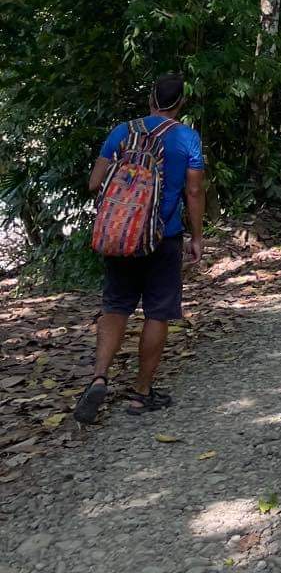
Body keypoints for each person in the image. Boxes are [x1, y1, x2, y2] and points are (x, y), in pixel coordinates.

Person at [73, 73, 206, 423]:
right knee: (157, 312)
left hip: (120, 236)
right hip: (163, 237)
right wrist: (197, 236)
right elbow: (193, 192)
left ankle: (99, 377)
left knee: (115, 306)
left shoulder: (122, 131)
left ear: (150, 98)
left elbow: (94, 183)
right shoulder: (187, 138)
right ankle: (141, 393)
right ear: (181, 103)